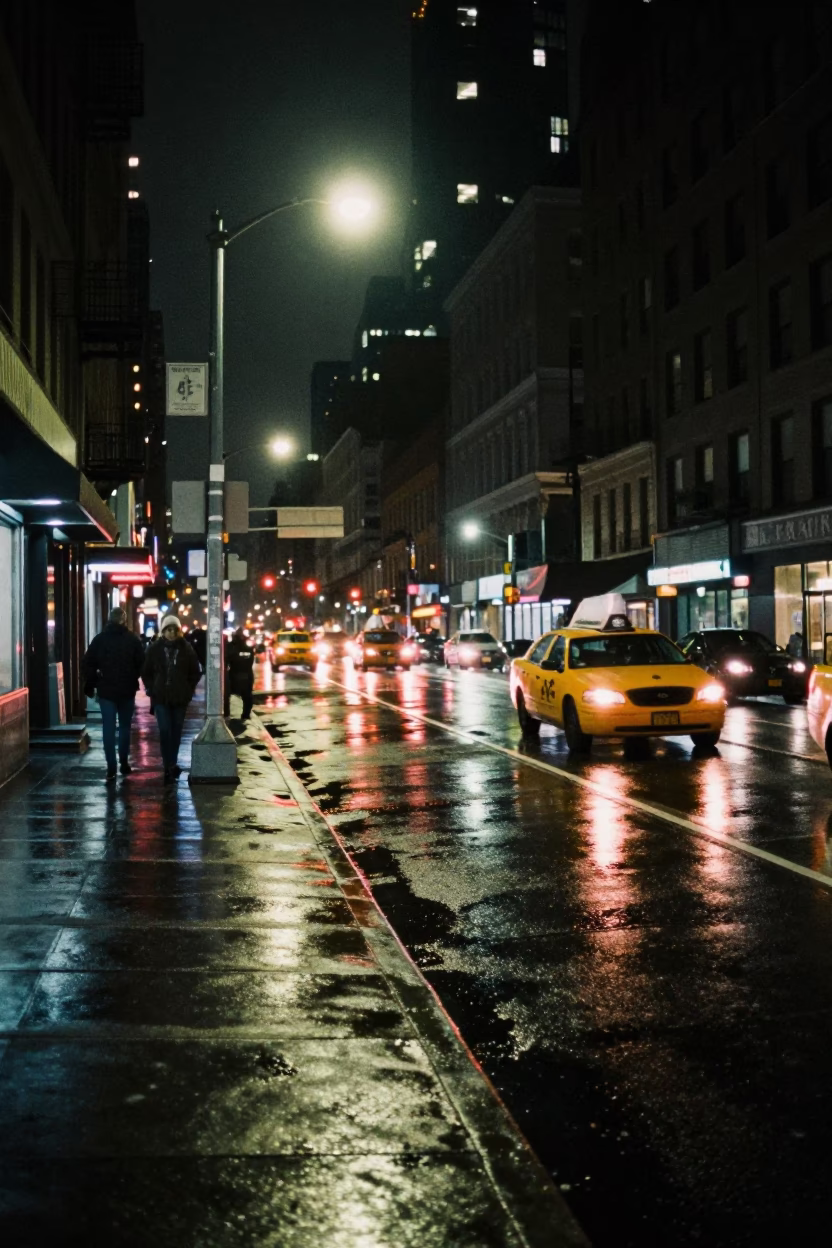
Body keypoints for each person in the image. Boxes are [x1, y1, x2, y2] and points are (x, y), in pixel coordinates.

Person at [83, 607, 145, 780]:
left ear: (109, 619)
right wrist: (133, 676)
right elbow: (142, 664)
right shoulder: (132, 640)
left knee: (108, 727)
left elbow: (88, 662)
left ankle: (111, 766)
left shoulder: (100, 639)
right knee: (125, 727)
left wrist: (95, 679)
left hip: (106, 690)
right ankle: (124, 762)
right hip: (127, 689)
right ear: (124, 620)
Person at [142, 614, 200, 783]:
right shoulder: (154, 649)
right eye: (169, 629)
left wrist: (188, 689)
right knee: (165, 730)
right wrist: (151, 688)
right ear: (163, 630)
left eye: (175, 629)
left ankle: (172, 763)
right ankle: (167, 764)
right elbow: (145, 671)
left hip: (180, 698)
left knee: (176, 731)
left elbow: (195, 672)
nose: (172, 633)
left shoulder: (186, 648)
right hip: (161, 698)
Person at [225, 628, 254, 720]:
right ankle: (245, 715)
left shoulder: (230, 647)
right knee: (247, 697)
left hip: (234, 674)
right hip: (245, 674)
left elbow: (226, 660)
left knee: (227, 696)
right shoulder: (247, 647)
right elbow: (250, 661)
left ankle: (227, 714)